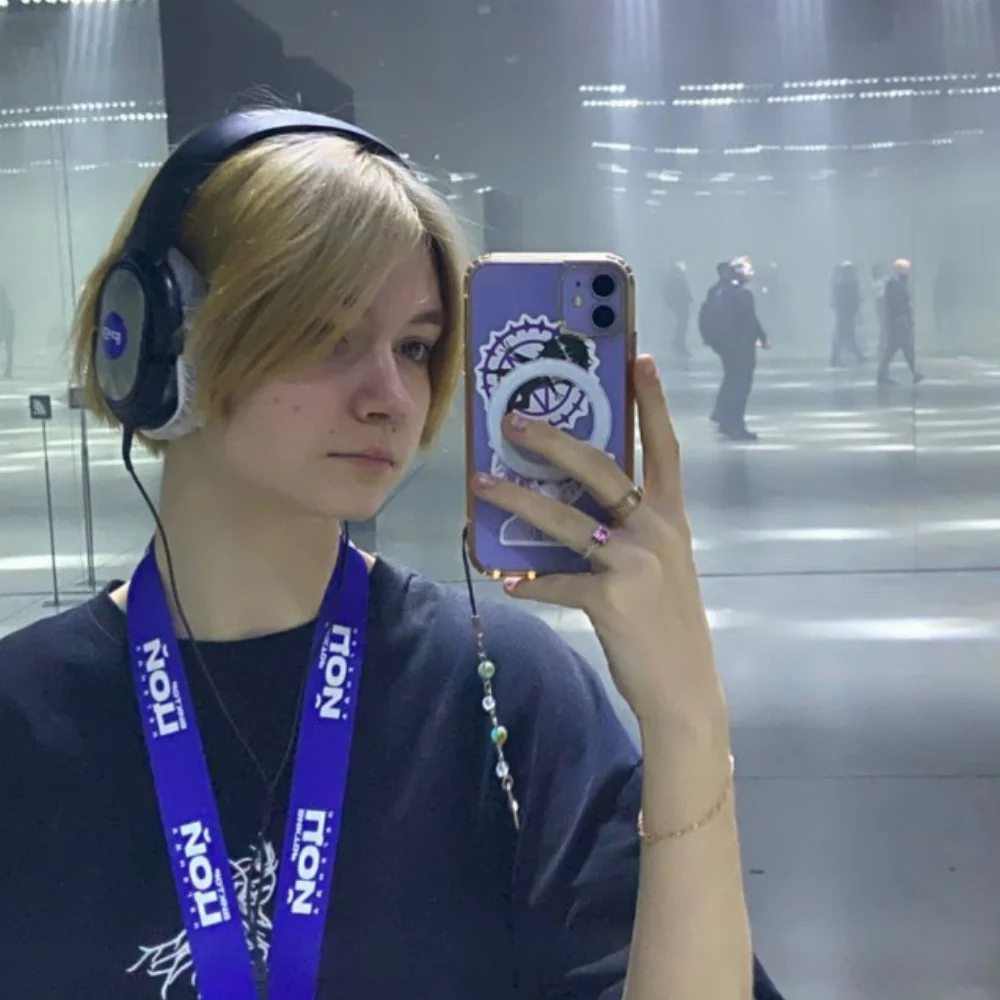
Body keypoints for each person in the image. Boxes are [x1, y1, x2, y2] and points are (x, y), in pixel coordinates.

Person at [0, 110, 785, 999]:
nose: (390, 396)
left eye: (414, 347)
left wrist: (687, 724)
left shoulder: (501, 690)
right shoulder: (23, 716)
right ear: (158, 341)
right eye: (324, 334)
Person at [704, 258, 770, 442]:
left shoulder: (719, 292)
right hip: (741, 346)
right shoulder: (741, 294)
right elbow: (750, 320)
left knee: (732, 381)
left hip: (727, 345)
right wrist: (762, 337)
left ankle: (725, 420)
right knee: (740, 386)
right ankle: (735, 425)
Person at [877, 258, 922, 385]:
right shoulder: (895, 283)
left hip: (898, 321)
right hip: (898, 322)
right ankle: (882, 376)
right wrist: (902, 317)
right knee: (895, 348)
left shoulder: (897, 282)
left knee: (903, 349)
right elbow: (896, 302)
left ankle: (913, 373)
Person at [830, 261, 864, 367]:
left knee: (844, 336)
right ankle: (837, 357)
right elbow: (851, 299)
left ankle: (836, 357)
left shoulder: (844, 283)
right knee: (844, 336)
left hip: (845, 313)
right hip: (845, 314)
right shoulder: (846, 284)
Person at [664, 260, 693, 358]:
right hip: (680, 308)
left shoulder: (678, 280)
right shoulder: (676, 280)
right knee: (680, 328)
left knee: (682, 328)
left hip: (682, 307)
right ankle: (678, 347)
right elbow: (674, 295)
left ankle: (679, 346)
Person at [0, 280, 14, 379]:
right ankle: (8, 369)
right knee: (9, 348)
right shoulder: (6, 303)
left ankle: (9, 369)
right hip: (7, 324)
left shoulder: (5, 304)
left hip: (5, 324)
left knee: (9, 348)